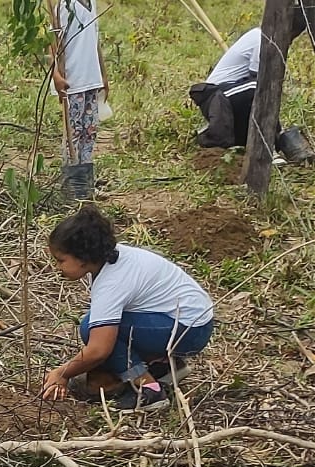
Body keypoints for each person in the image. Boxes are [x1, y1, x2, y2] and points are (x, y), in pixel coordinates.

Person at [42, 204, 215, 414]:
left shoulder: (111, 282)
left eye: (61, 260)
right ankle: (166, 366)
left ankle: (148, 389)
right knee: (103, 325)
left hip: (189, 330)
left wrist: (63, 373)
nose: (57, 268)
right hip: (192, 321)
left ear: (84, 256)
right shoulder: (117, 257)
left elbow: (98, 350)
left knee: (91, 328)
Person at [189, 9, 312, 159]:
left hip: (232, 94)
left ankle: (264, 144)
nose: (291, 39)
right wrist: (276, 133)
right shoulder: (263, 38)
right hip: (215, 96)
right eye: (292, 33)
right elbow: (260, 85)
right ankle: (265, 148)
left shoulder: (270, 40)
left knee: (263, 90)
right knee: (261, 88)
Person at [51, 0, 108, 198]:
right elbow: (52, 43)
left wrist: (103, 75)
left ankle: (85, 186)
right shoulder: (64, 6)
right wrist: (56, 77)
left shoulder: (91, 3)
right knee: (73, 134)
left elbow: (95, 41)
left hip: (91, 78)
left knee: (89, 131)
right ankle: (71, 188)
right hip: (72, 81)